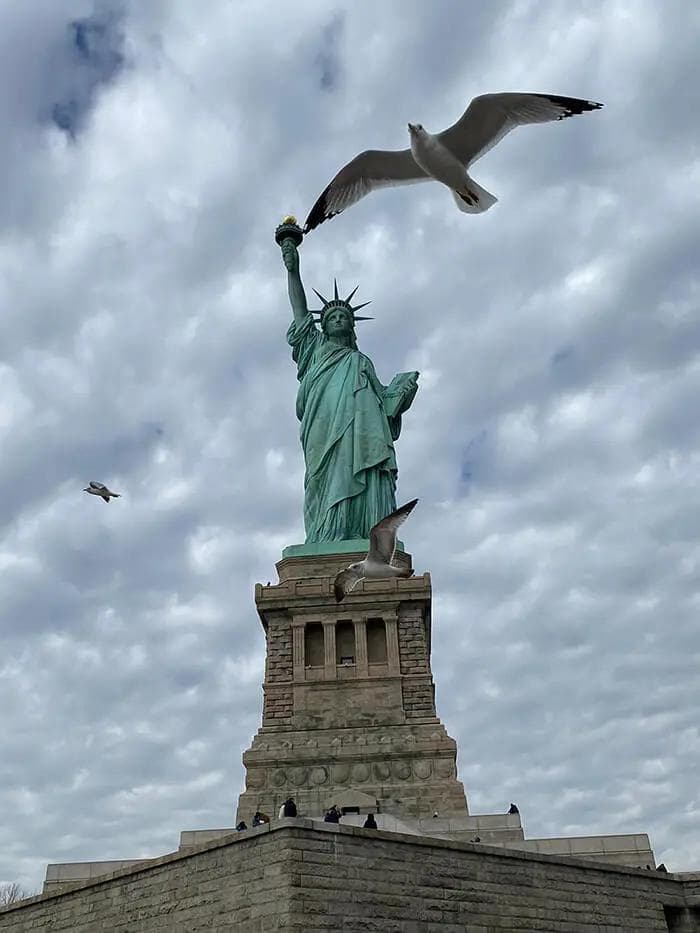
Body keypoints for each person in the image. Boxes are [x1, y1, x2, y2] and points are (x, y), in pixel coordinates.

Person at [281, 236, 419, 543]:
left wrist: (401, 396)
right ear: (325, 326)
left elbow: (383, 405)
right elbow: (300, 311)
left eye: (344, 316)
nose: (339, 319)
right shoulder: (314, 349)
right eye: (332, 318)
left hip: (363, 434)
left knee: (364, 473)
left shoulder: (361, 361)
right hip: (324, 426)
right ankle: (328, 535)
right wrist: (293, 270)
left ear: (351, 326)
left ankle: (363, 532)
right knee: (326, 479)